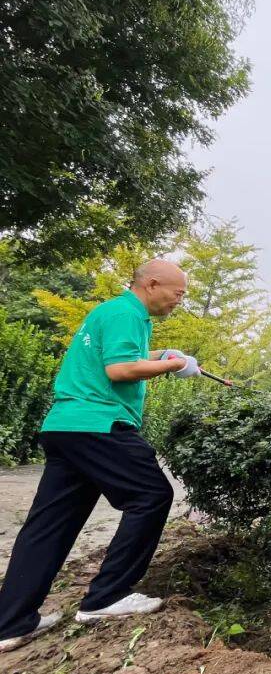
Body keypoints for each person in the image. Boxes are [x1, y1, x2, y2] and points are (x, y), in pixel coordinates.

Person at [0, 260, 201, 652]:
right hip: (99, 423)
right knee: (151, 496)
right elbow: (120, 369)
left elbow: (120, 356)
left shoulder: (116, 313)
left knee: (49, 525)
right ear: (152, 284)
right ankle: (106, 597)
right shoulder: (128, 312)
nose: (180, 300)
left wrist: (162, 353)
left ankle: (10, 622)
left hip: (65, 425)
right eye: (178, 293)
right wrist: (173, 365)